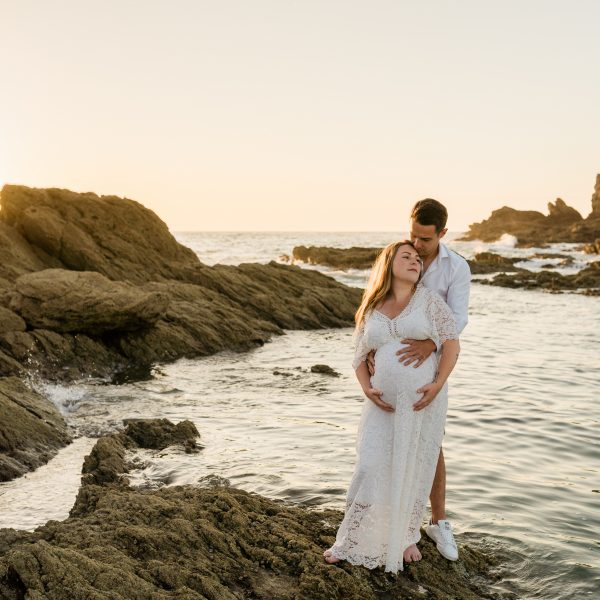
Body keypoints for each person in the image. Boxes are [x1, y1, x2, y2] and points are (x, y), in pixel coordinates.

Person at [323, 240, 460, 572]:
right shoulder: (371, 308)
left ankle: (406, 536)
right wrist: (367, 389)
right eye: (406, 257)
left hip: (422, 402)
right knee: (370, 465)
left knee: (413, 465)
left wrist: (437, 384)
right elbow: (358, 355)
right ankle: (351, 539)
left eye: (417, 258)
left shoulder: (430, 302)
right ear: (389, 264)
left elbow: (452, 345)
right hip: (381, 404)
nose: (415, 261)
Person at [367, 199, 470, 561]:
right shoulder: (401, 255)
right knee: (382, 446)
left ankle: (437, 521)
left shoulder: (456, 268)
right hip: (387, 376)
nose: (418, 245)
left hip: (431, 371)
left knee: (429, 444)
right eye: (413, 235)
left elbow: (457, 320)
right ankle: (384, 519)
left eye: (425, 239)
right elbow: (377, 302)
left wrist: (430, 342)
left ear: (442, 233)